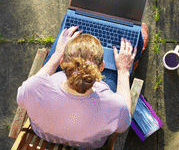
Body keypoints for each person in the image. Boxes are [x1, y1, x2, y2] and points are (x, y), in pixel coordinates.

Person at [17, 24, 148, 150]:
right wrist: (123, 71)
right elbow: (123, 126)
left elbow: (21, 103)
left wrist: (57, 54)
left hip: (44, 135)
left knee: (66, 31)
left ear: (62, 63)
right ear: (101, 67)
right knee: (135, 39)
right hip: (87, 146)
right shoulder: (114, 106)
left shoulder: (34, 87)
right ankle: (136, 51)